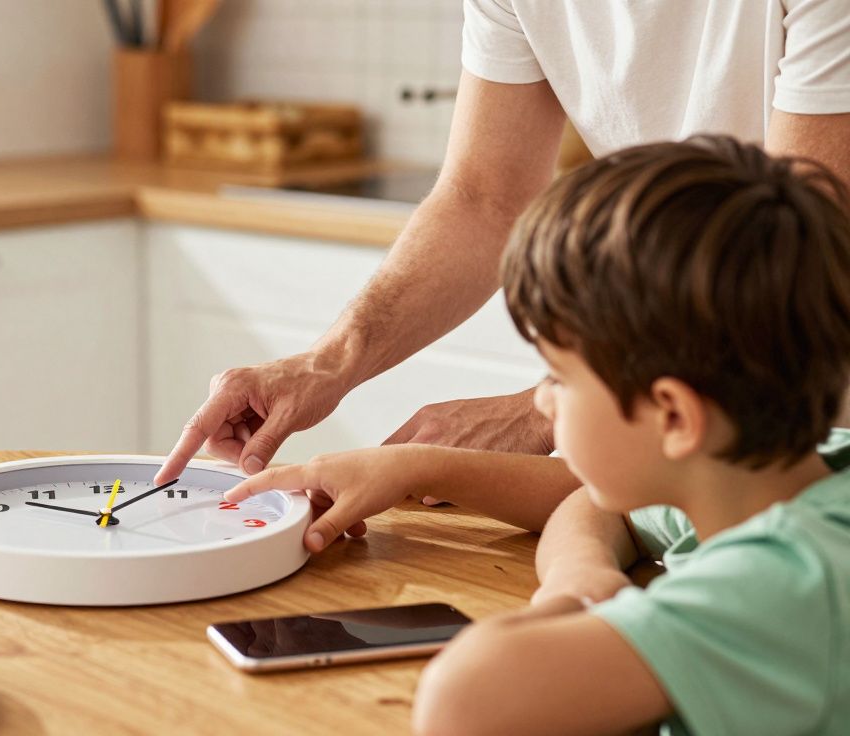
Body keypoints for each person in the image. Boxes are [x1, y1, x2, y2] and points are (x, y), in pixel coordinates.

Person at [226, 136, 850, 734]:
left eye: (560, 376)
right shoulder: (790, 474)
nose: (543, 400)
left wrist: (569, 608)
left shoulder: (785, 589)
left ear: (676, 419)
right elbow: (594, 502)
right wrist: (576, 571)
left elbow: (460, 702)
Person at [154, 2, 850, 513]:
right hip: (698, 436)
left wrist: (552, 409)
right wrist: (325, 363)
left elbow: (797, 253)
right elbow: (484, 198)